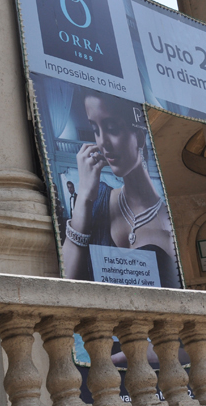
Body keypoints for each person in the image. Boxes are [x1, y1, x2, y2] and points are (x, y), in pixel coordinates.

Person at [62, 90, 180, 288]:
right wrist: (84, 197)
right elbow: (64, 284)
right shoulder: (97, 198)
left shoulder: (168, 224)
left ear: (140, 138)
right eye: (95, 129)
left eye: (112, 128)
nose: (103, 142)